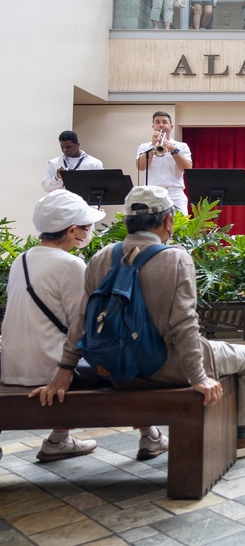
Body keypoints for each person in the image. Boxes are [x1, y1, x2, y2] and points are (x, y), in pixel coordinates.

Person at [30, 186, 245, 459]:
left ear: (127, 222)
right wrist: (198, 378)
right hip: (162, 368)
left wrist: (65, 369)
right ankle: (243, 436)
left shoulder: (101, 258)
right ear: (168, 221)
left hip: (112, 368)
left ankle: (156, 436)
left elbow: (82, 320)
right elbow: (184, 325)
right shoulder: (174, 258)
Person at [0, 190, 147, 463]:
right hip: (50, 371)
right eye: (87, 226)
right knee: (125, 365)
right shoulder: (71, 264)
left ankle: (59, 440)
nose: (90, 230)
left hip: (13, 366)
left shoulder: (21, 261)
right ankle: (150, 435)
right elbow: (83, 327)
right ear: (72, 230)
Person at [136, 111, 192, 212]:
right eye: (157, 122)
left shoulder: (182, 146)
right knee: (152, 226)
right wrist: (153, 147)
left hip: (175, 194)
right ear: (153, 126)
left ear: (171, 126)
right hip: (152, 193)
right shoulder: (144, 147)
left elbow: (187, 169)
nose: (161, 125)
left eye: (164, 122)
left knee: (181, 226)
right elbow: (140, 167)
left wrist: (173, 150)